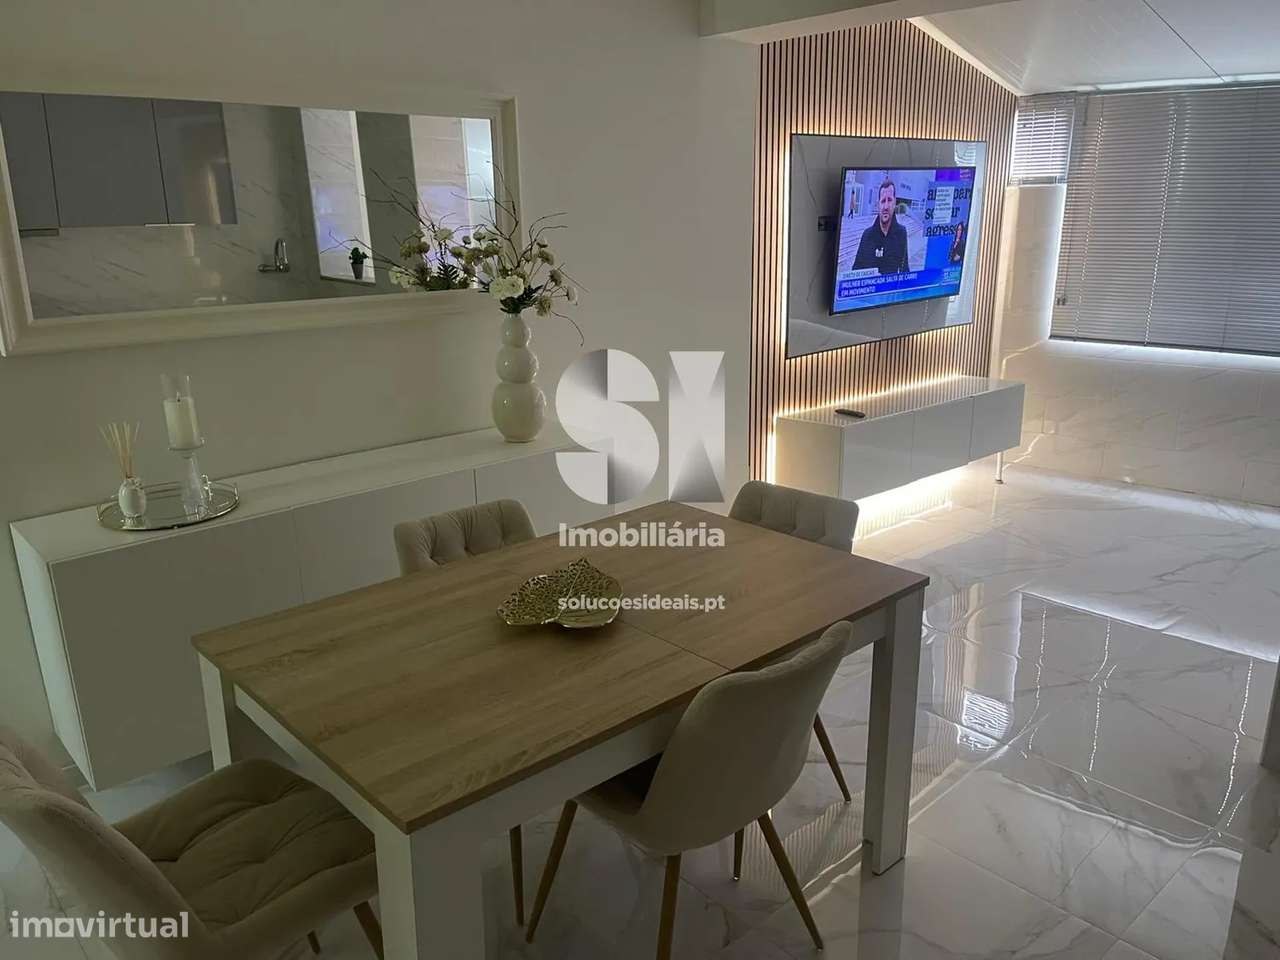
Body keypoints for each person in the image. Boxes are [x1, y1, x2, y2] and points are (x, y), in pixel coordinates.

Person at [852, 179, 910, 274]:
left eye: (889, 200)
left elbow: (905, 271)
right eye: (883, 201)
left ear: (895, 202)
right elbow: (855, 271)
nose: (886, 206)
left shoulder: (901, 233)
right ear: (878, 204)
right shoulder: (867, 235)